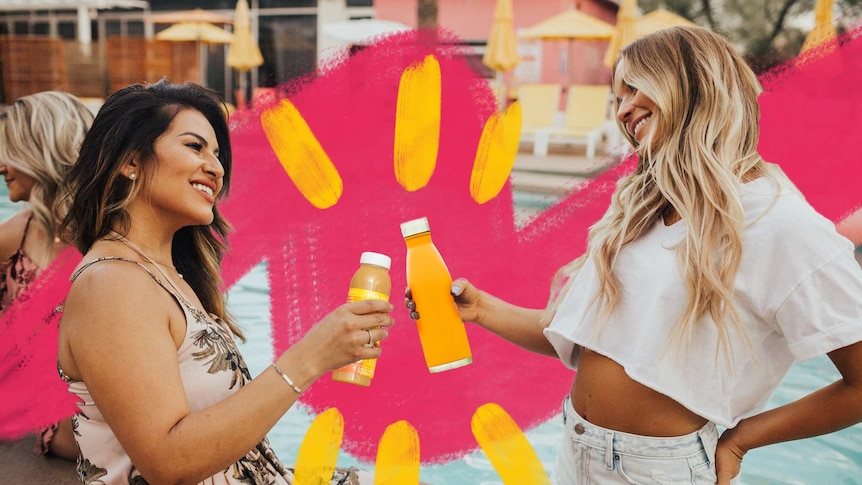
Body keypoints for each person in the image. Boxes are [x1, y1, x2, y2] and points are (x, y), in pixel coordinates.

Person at [407, 26, 862, 484]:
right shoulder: (642, 211)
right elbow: (581, 342)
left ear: (692, 83)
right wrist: (481, 308)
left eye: (635, 88)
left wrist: (743, 439)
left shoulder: (779, 222)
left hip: (661, 470)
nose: (623, 109)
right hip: (577, 449)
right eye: (617, 98)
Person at [55, 80, 393, 484]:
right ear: (130, 162)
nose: (216, 168)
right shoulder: (111, 286)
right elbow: (166, 463)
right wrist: (310, 358)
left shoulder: (163, 276)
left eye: (217, 154)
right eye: (195, 147)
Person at [0, 91, 94, 460]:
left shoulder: (114, 229)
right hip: (58, 420)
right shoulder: (12, 238)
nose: (1, 165)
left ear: (40, 152)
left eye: (9, 151)